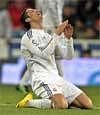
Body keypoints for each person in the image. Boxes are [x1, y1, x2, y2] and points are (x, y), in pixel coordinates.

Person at [16, 8, 93, 109]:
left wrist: (69, 39)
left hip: (56, 78)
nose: (36, 10)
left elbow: (68, 56)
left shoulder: (48, 36)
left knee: (88, 104)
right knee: (61, 105)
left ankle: (60, 101)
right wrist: (57, 33)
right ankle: (29, 102)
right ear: (28, 20)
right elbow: (44, 53)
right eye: (31, 11)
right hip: (41, 79)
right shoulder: (28, 37)